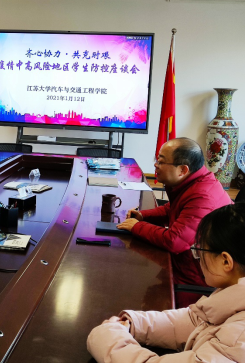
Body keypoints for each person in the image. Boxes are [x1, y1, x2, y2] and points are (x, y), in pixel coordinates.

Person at [87, 203, 245, 363]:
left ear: (226, 261)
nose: (198, 258)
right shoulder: (232, 297)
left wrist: (108, 338)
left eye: (200, 251)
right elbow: (194, 320)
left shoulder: (237, 340)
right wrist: (134, 323)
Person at [118, 138, 232, 306]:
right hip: (191, 263)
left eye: (161, 161)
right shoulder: (194, 182)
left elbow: (176, 241)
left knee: (128, 283)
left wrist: (137, 227)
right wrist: (143, 216)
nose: (156, 165)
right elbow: (174, 208)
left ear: (183, 170)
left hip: (199, 279)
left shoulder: (203, 195)